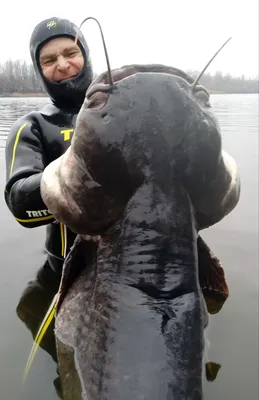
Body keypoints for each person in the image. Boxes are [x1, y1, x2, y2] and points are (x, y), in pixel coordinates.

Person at [4, 16, 94, 272]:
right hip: (67, 270)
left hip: (138, 262)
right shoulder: (31, 126)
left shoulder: (124, 109)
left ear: (86, 56)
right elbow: (20, 205)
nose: (63, 65)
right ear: (39, 69)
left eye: (71, 53)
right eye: (49, 60)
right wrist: (88, 175)